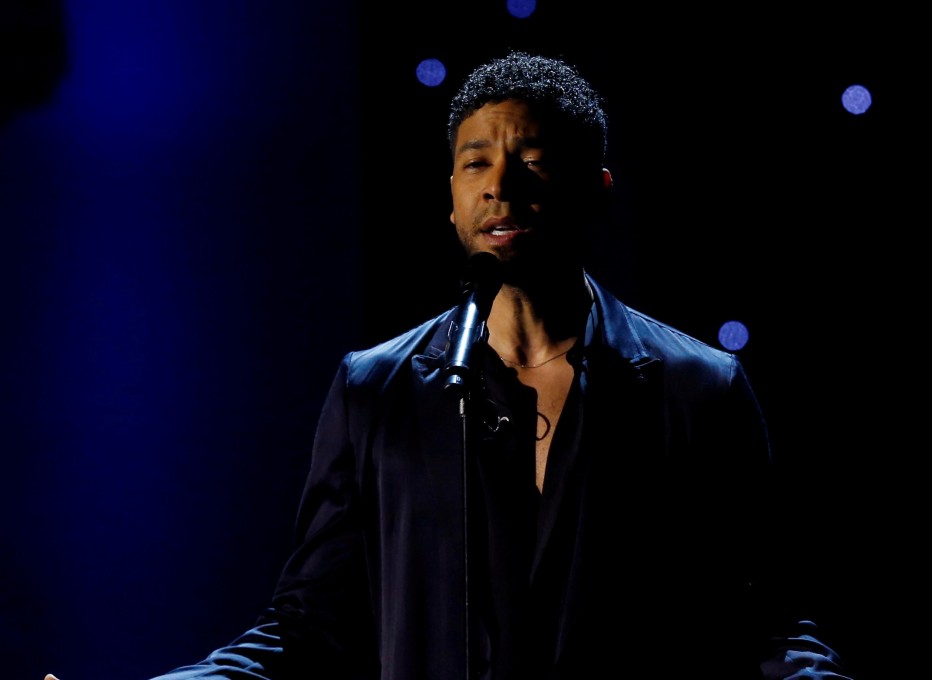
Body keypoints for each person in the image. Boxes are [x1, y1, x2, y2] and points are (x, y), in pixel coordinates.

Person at [46, 51, 854, 680]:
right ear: (452, 195)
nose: (500, 185)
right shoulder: (378, 388)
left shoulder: (695, 388)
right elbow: (310, 630)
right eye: (475, 163)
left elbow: (766, 622)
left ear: (597, 189)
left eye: (533, 160)